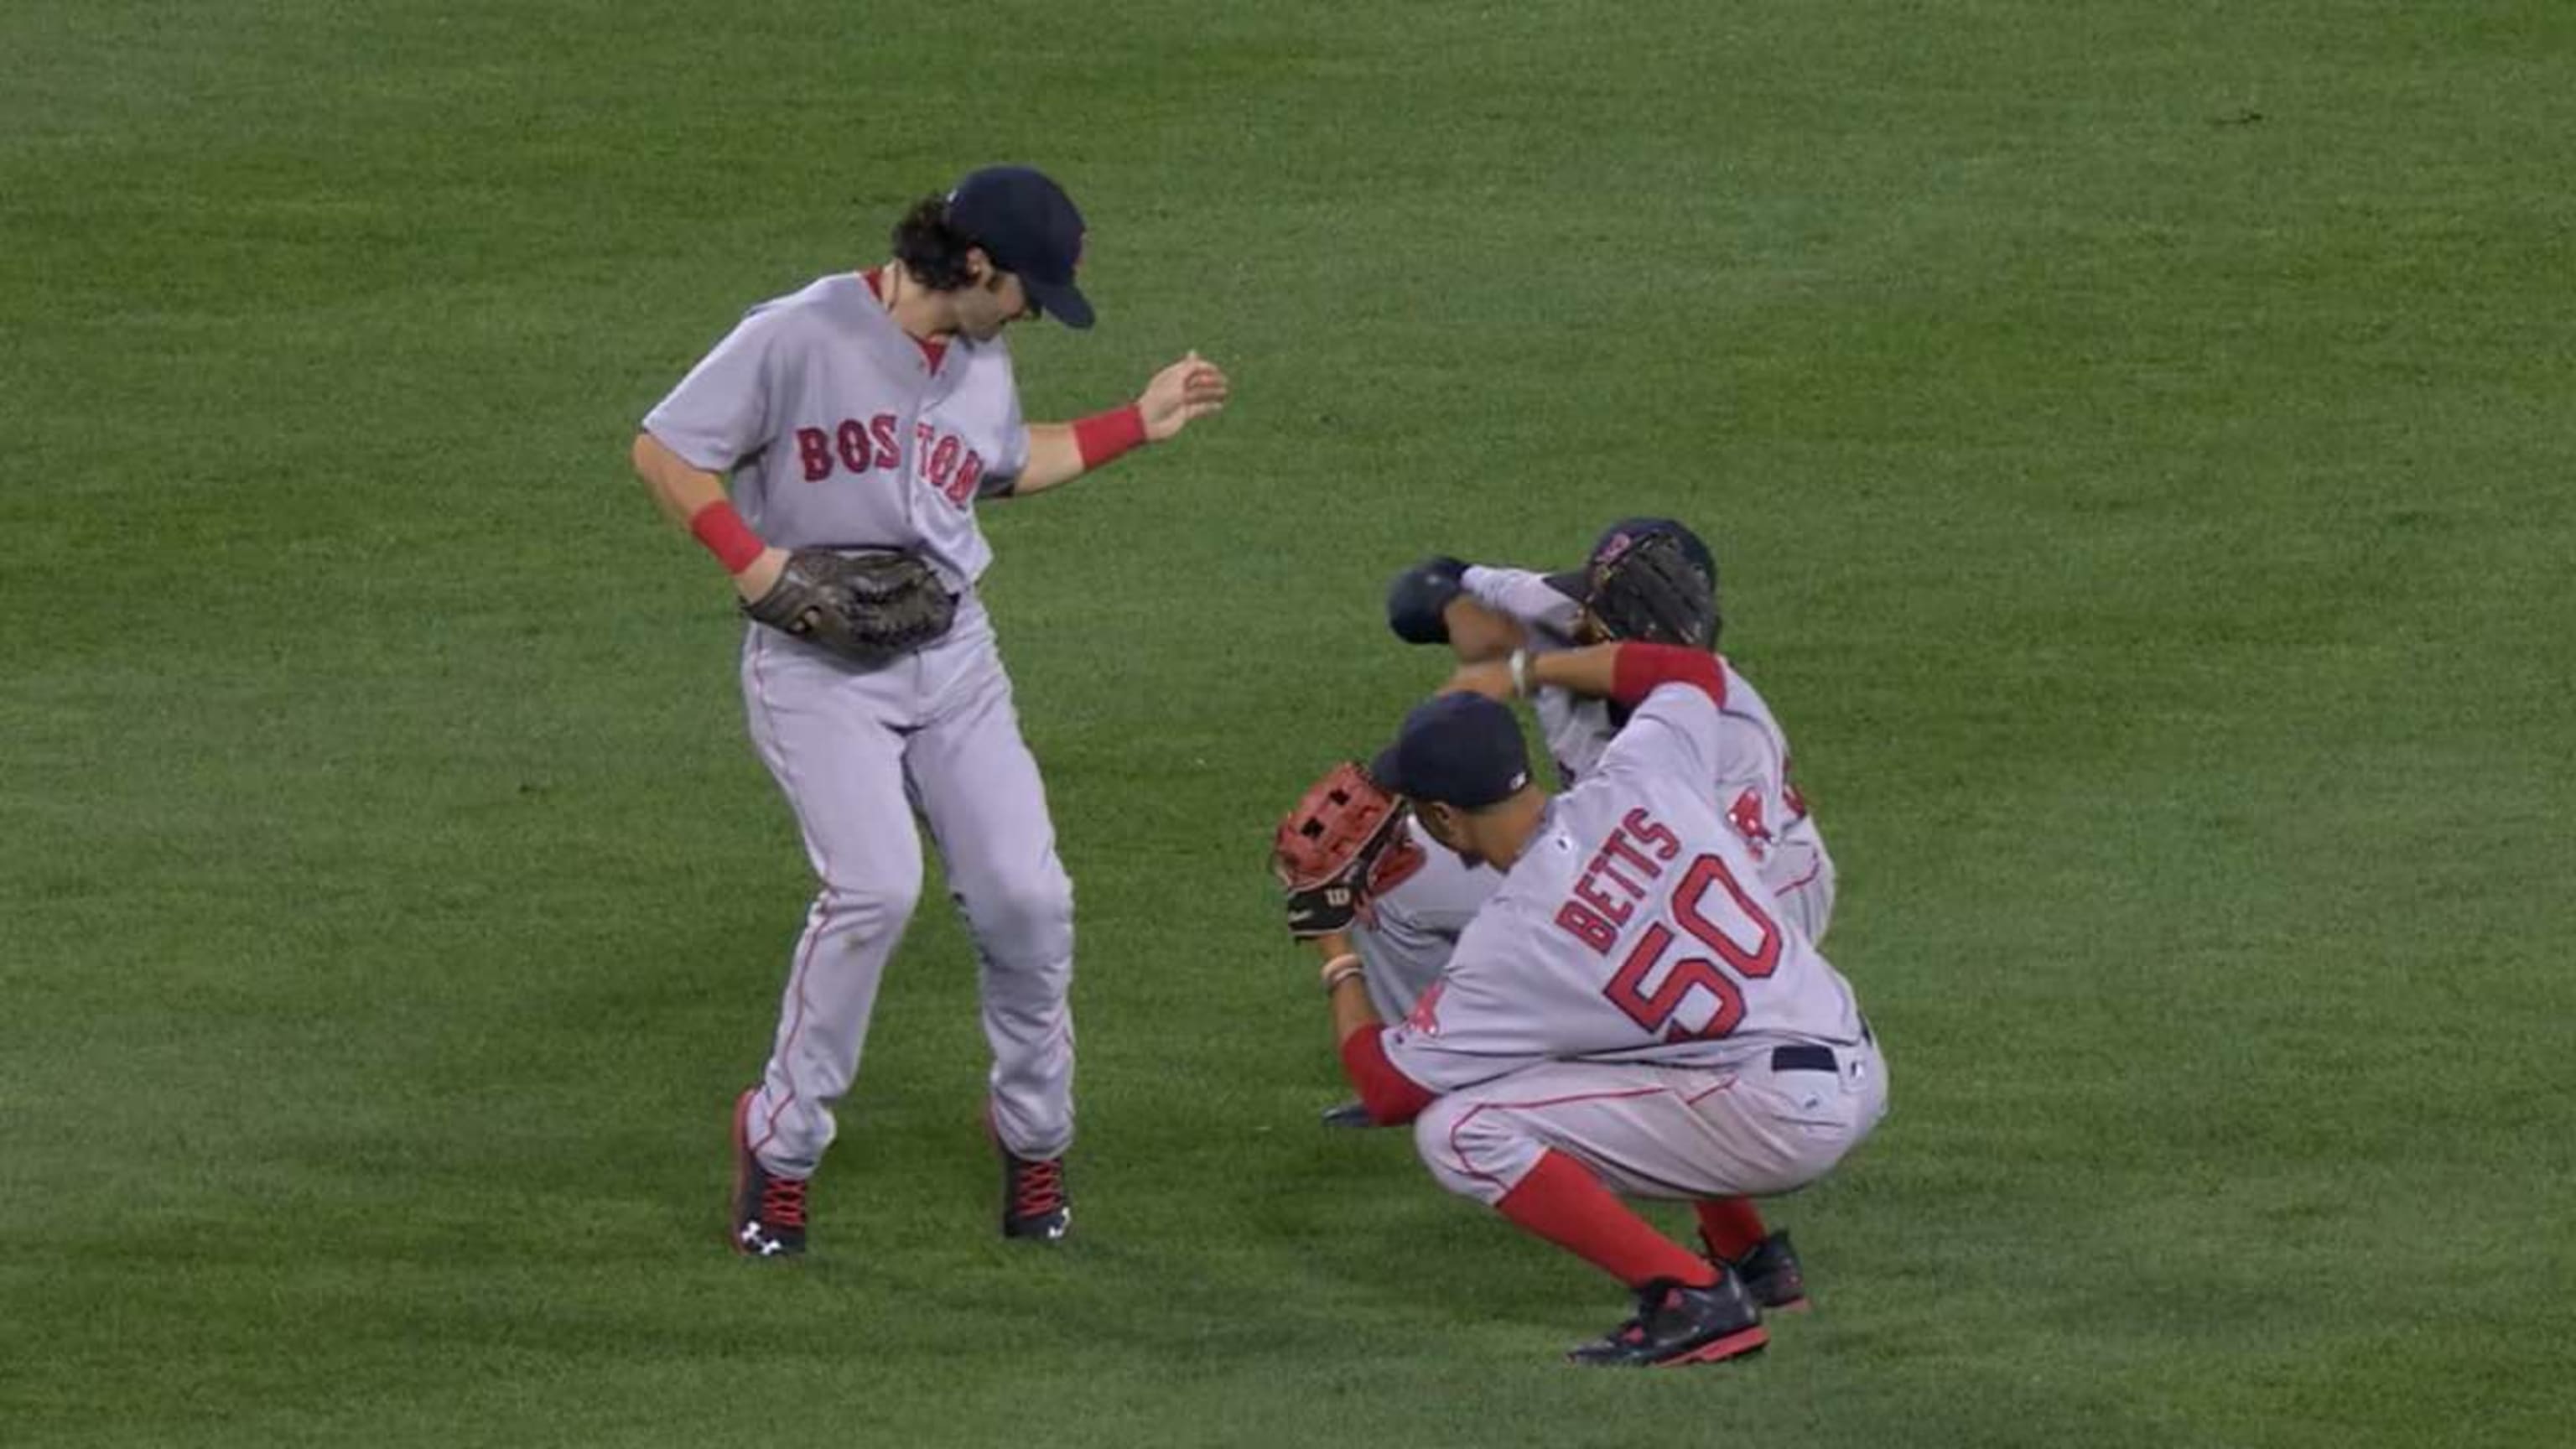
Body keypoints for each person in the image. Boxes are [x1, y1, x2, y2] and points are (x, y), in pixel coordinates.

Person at [630, 165, 1229, 1258]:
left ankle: (1032, 1129)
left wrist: (1133, 425)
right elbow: (666, 451)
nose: (1034, 314)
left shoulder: (981, 362)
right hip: (815, 670)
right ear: (977, 266)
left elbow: (997, 468)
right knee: (874, 889)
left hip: (952, 659)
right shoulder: (801, 332)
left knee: (1027, 900)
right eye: (1028, 291)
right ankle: (782, 1144)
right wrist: (753, 564)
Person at [1302, 641, 1887, 1365]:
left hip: (1776, 1115)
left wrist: (1333, 949)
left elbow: (1389, 1090)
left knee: (1461, 1128)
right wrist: (1525, 671)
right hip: (1849, 1050)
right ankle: (1754, 1261)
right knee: (1620, 1037)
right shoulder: (1640, 773)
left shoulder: (1512, 944)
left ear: (1448, 821)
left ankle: (1692, 1299)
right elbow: (1692, 672)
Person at [1332, 519, 1833, 1306]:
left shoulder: (1733, 736)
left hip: (1762, 893)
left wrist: (1519, 674)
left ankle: (1739, 1258)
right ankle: (1444, 1049)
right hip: (1588, 860)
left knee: (1640, 1002)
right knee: (1393, 874)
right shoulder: (1558, 612)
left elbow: (1688, 894)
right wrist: (1473, 634)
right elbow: (1426, 590)